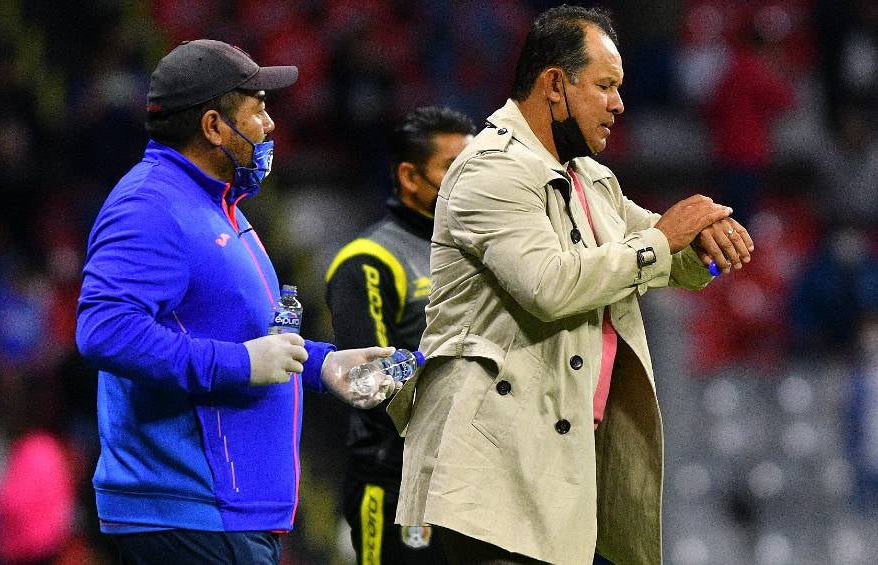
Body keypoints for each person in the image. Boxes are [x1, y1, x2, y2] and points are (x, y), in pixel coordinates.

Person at [387, 6, 755, 565]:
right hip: (491, 471)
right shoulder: (491, 169)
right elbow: (552, 285)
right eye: (605, 86)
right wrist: (665, 238)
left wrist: (704, 245)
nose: (619, 104)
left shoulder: (589, 179)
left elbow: (654, 253)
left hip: (552, 465)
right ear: (555, 85)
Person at [75, 40, 399, 565]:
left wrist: (322, 365)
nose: (270, 124)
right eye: (258, 109)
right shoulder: (151, 204)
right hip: (190, 508)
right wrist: (241, 363)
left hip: (224, 511)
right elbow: (105, 331)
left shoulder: (220, 207)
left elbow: (246, 332)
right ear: (213, 126)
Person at [325, 106, 476, 565]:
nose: (467, 184)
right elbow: (363, 380)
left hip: (476, 486)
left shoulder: (481, 251)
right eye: (452, 170)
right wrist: (440, 356)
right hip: (396, 486)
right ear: (410, 177)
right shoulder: (368, 261)